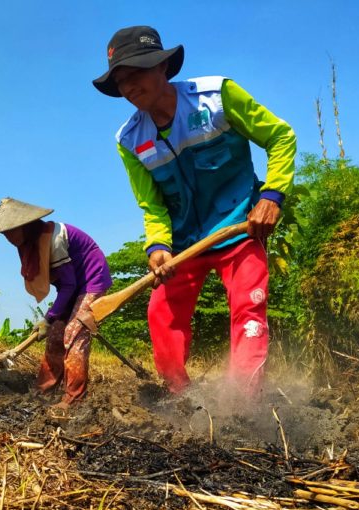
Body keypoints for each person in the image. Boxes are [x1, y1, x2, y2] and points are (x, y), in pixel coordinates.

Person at [93, 26, 296, 397]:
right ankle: (181, 399)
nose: (128, 88)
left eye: (135, 74)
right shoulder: (129, 140)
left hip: (239, 229)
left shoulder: (216, 97)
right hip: (185, 243)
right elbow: (151, 203)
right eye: (120, 81)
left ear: (163, 67)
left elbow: (281, 137)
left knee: (249, 310)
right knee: (161, 315)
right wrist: (157, 246)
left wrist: (272, 195)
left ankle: (244, 405)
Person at [0, 197, 112, 411]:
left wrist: (48, 317)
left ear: (25, 226)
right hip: (71, 287)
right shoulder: (30, 244)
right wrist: (53, 321)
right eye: (4, 234)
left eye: (11, 231)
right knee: (56, 336)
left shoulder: (55, 239)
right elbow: (64, 286)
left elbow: (70, 284)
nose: (8, 238)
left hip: (91, 281)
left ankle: (74, 399)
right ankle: (44, 389)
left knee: (74, 334)